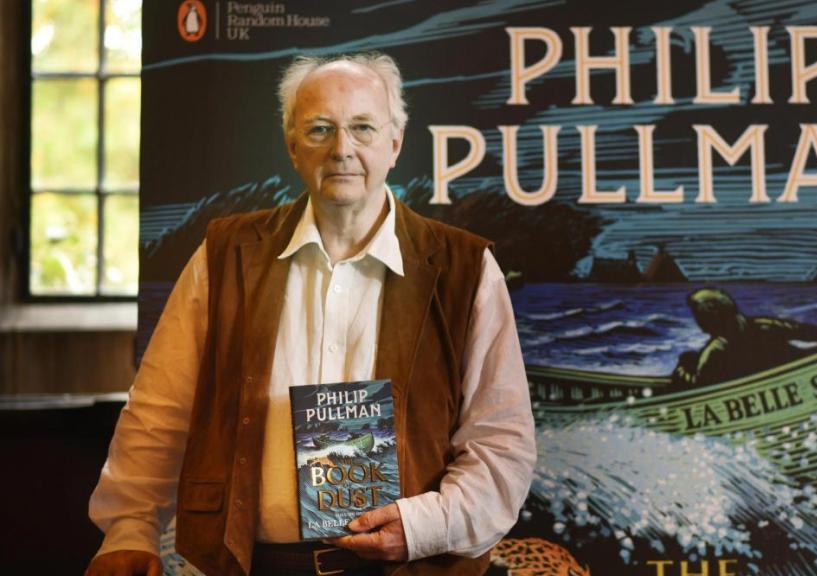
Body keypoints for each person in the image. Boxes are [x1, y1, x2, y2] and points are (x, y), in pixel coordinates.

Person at [86, 52, 536, 576]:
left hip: (412, 568)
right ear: (292, 146)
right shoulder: (225, 255)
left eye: (363, 128)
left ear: (395, 143)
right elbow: (161, 409)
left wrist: (421, 527)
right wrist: (131, 526)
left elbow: (500, 444)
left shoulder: (466, 268)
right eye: (320, 129)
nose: (342, 149)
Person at [671, 288, 817, 388]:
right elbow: (805, 331)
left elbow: (699, 385)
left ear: (709, 318)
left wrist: (683, 367)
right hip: (797, 378)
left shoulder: (716, 350)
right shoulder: (764, 325)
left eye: (698, 316)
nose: (697, 321)